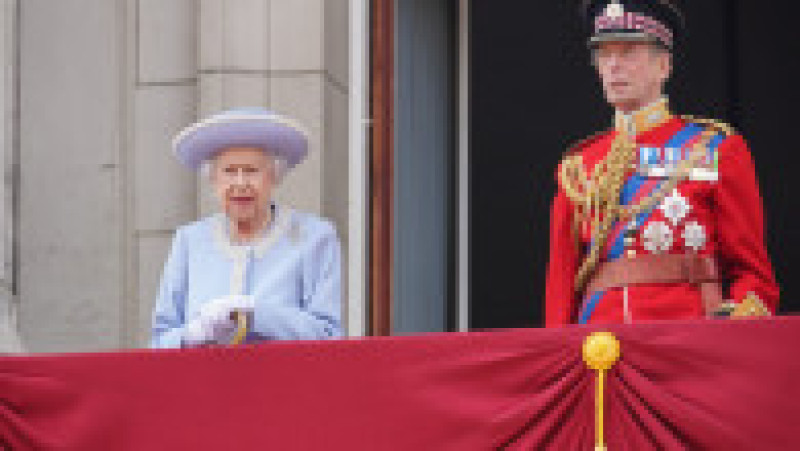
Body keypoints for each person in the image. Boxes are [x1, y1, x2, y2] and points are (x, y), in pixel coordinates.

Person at [545, 0, 779, 326]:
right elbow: (561, 287)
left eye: (628, 52)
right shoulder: (579, 165)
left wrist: (732, 327)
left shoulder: (715, 149)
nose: (613, 65)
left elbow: (753, 276)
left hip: (689, 345)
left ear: (664, 66)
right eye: (605, 54)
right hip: (599, 349)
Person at [151, 108, 343, 347]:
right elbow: (159, 341)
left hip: (283, 383)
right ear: (213, 179)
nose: (240, 183)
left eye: (252, 171)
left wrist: (255, 314)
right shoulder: (189, 241)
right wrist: (191, 334)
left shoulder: (314, 237)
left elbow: (328, 334)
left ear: (274, 177)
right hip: (204, 383)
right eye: (229, 171)